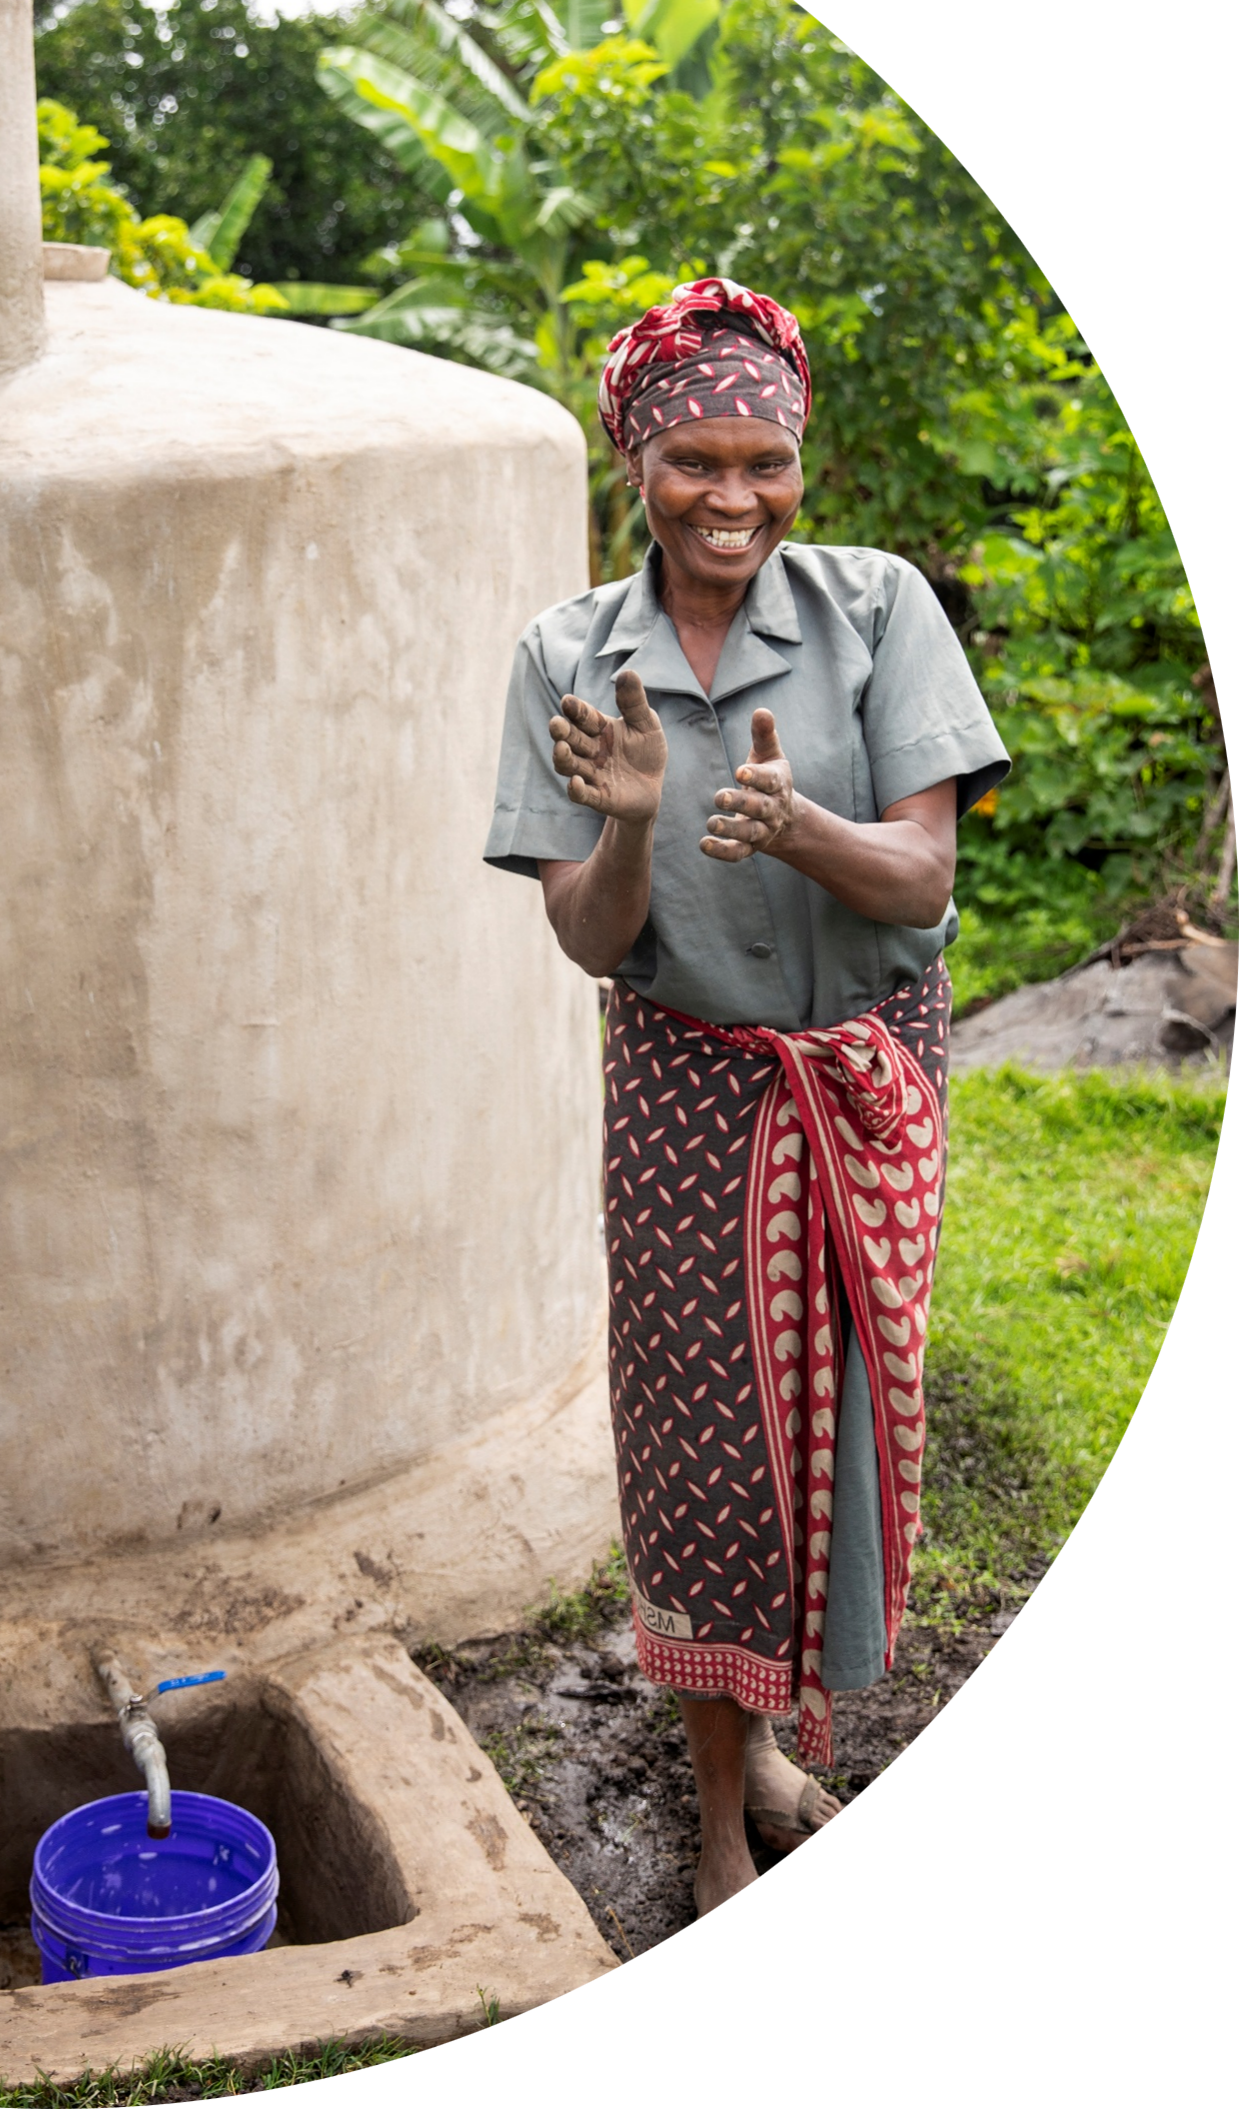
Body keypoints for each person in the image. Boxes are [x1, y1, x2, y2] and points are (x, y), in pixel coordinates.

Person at [484, 278, 1010, 1915]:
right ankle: (722, 1820)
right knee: (710, 1452)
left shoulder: (878, 610)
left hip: (863, 1080)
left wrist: (800, 832)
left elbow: (919, 880)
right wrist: (636, 824)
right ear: (635, 458)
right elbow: (587, 939)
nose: (732, 497)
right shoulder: (568, 655)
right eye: (693, 460)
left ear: (800, 455)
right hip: (689, 1092)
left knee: (840, 1423)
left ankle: (785, 1735)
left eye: (763, 460)